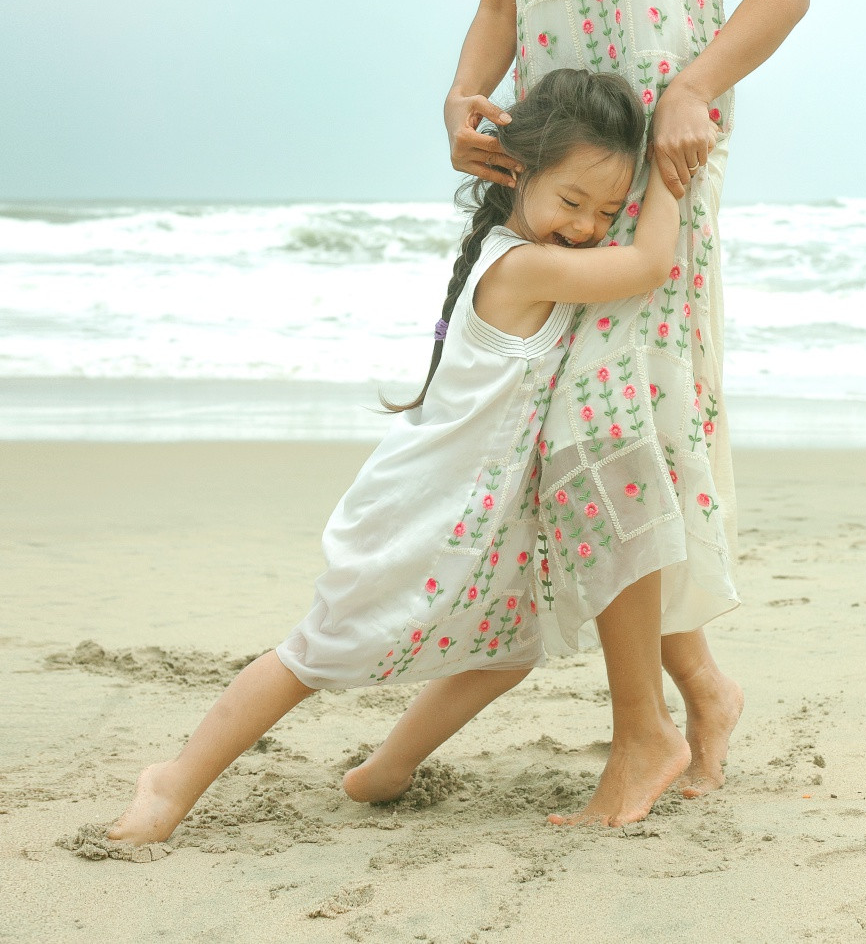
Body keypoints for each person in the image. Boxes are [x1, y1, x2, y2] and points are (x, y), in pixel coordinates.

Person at [106, 67, 683, 847]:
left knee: (506, 653)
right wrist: (674, 172)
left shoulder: (530, 252)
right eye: (572, 202)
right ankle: (171, 782)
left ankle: (386, 769)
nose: (586, 227)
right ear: (516, 171)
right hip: (425, 505)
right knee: (318, 652)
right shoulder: (521, 266)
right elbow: (648, 265)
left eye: (608, 212)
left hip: (474, 516)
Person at [443, 0, 810, 824]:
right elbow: (500, 7)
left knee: (604, 430)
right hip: (552, 181)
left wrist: (694, 88)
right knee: (584, 437)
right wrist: (460, 95)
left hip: (661, 176)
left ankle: (644, 733)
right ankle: (696, 692)